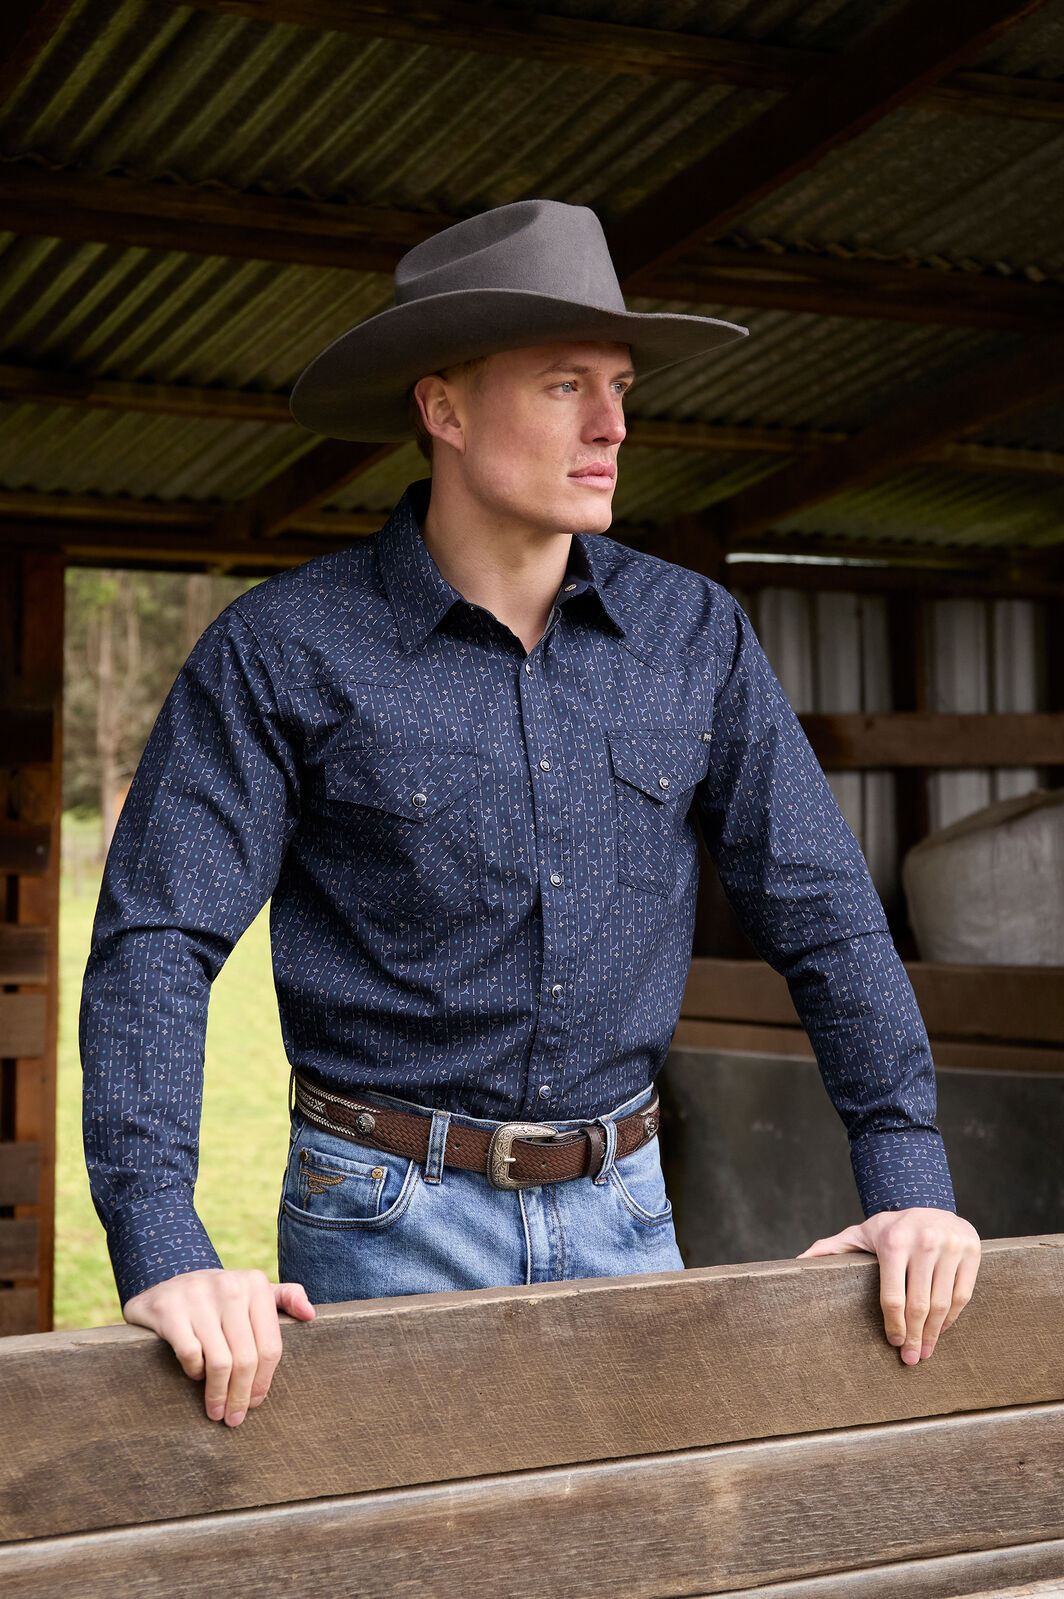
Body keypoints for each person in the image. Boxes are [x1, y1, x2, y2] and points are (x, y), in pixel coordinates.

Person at [81, 198, 980, 1431]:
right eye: (565, 386)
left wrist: (908, 1176)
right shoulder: (284, 650)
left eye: (619, 388)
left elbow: (824, 914)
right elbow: (158, 940)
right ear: (442, 410)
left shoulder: (693, 636)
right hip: (380, 1220)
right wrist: (162, 1242)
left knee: (651, 1530)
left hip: (629, 1211)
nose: (613, 426)